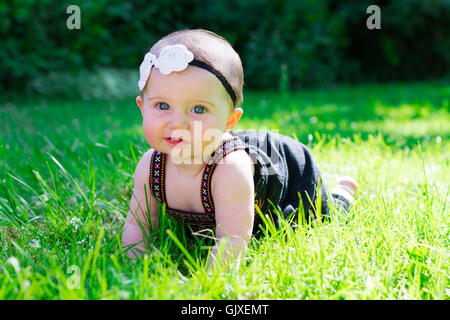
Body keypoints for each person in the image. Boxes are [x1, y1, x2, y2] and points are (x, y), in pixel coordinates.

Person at [121, 29, 358, 264]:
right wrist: (132, 265)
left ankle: (343, 191)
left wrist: (208, 283)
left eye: (198, 109)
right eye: (162, 106)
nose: (177, 123)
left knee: (321, 216)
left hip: (285, 172)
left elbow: (232, 240)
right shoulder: (151, 165)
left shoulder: (230, 169)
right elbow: (137, 224)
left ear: (229, 121)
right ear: (142, 107)